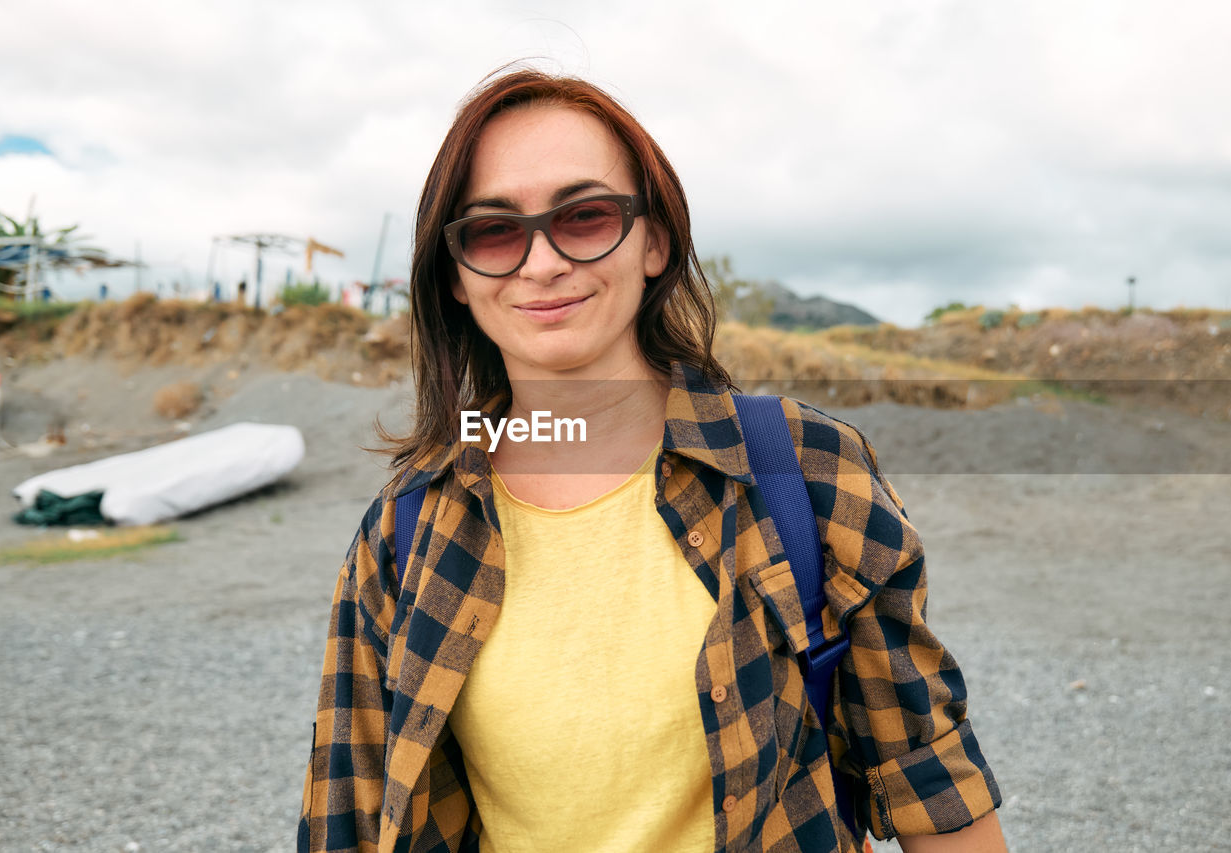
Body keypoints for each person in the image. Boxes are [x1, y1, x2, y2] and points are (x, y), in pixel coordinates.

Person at [297, 69, 1006, 853]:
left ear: (655, 240)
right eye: (495, 231)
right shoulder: (406, 527)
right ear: (457, 275)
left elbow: (930, 787)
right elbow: (350, 819)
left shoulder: (804, 469)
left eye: (586, 215)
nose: (541, 263)